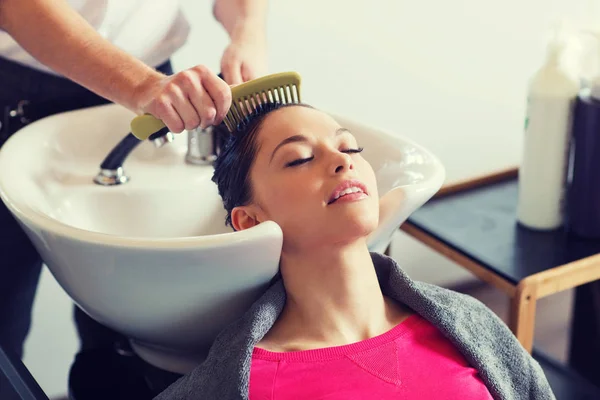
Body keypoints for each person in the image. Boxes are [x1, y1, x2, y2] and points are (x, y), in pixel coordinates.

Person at [153, 102, 556, 399]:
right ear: (251, 221)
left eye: (350, 148)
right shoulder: (247, 382)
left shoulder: (468, 324)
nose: (341, 161)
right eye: (300, 159)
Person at [0, 0, 268, 361]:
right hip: (25, 88)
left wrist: (248, 34)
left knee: (127, 346)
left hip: (157, 87)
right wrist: (141, 85)